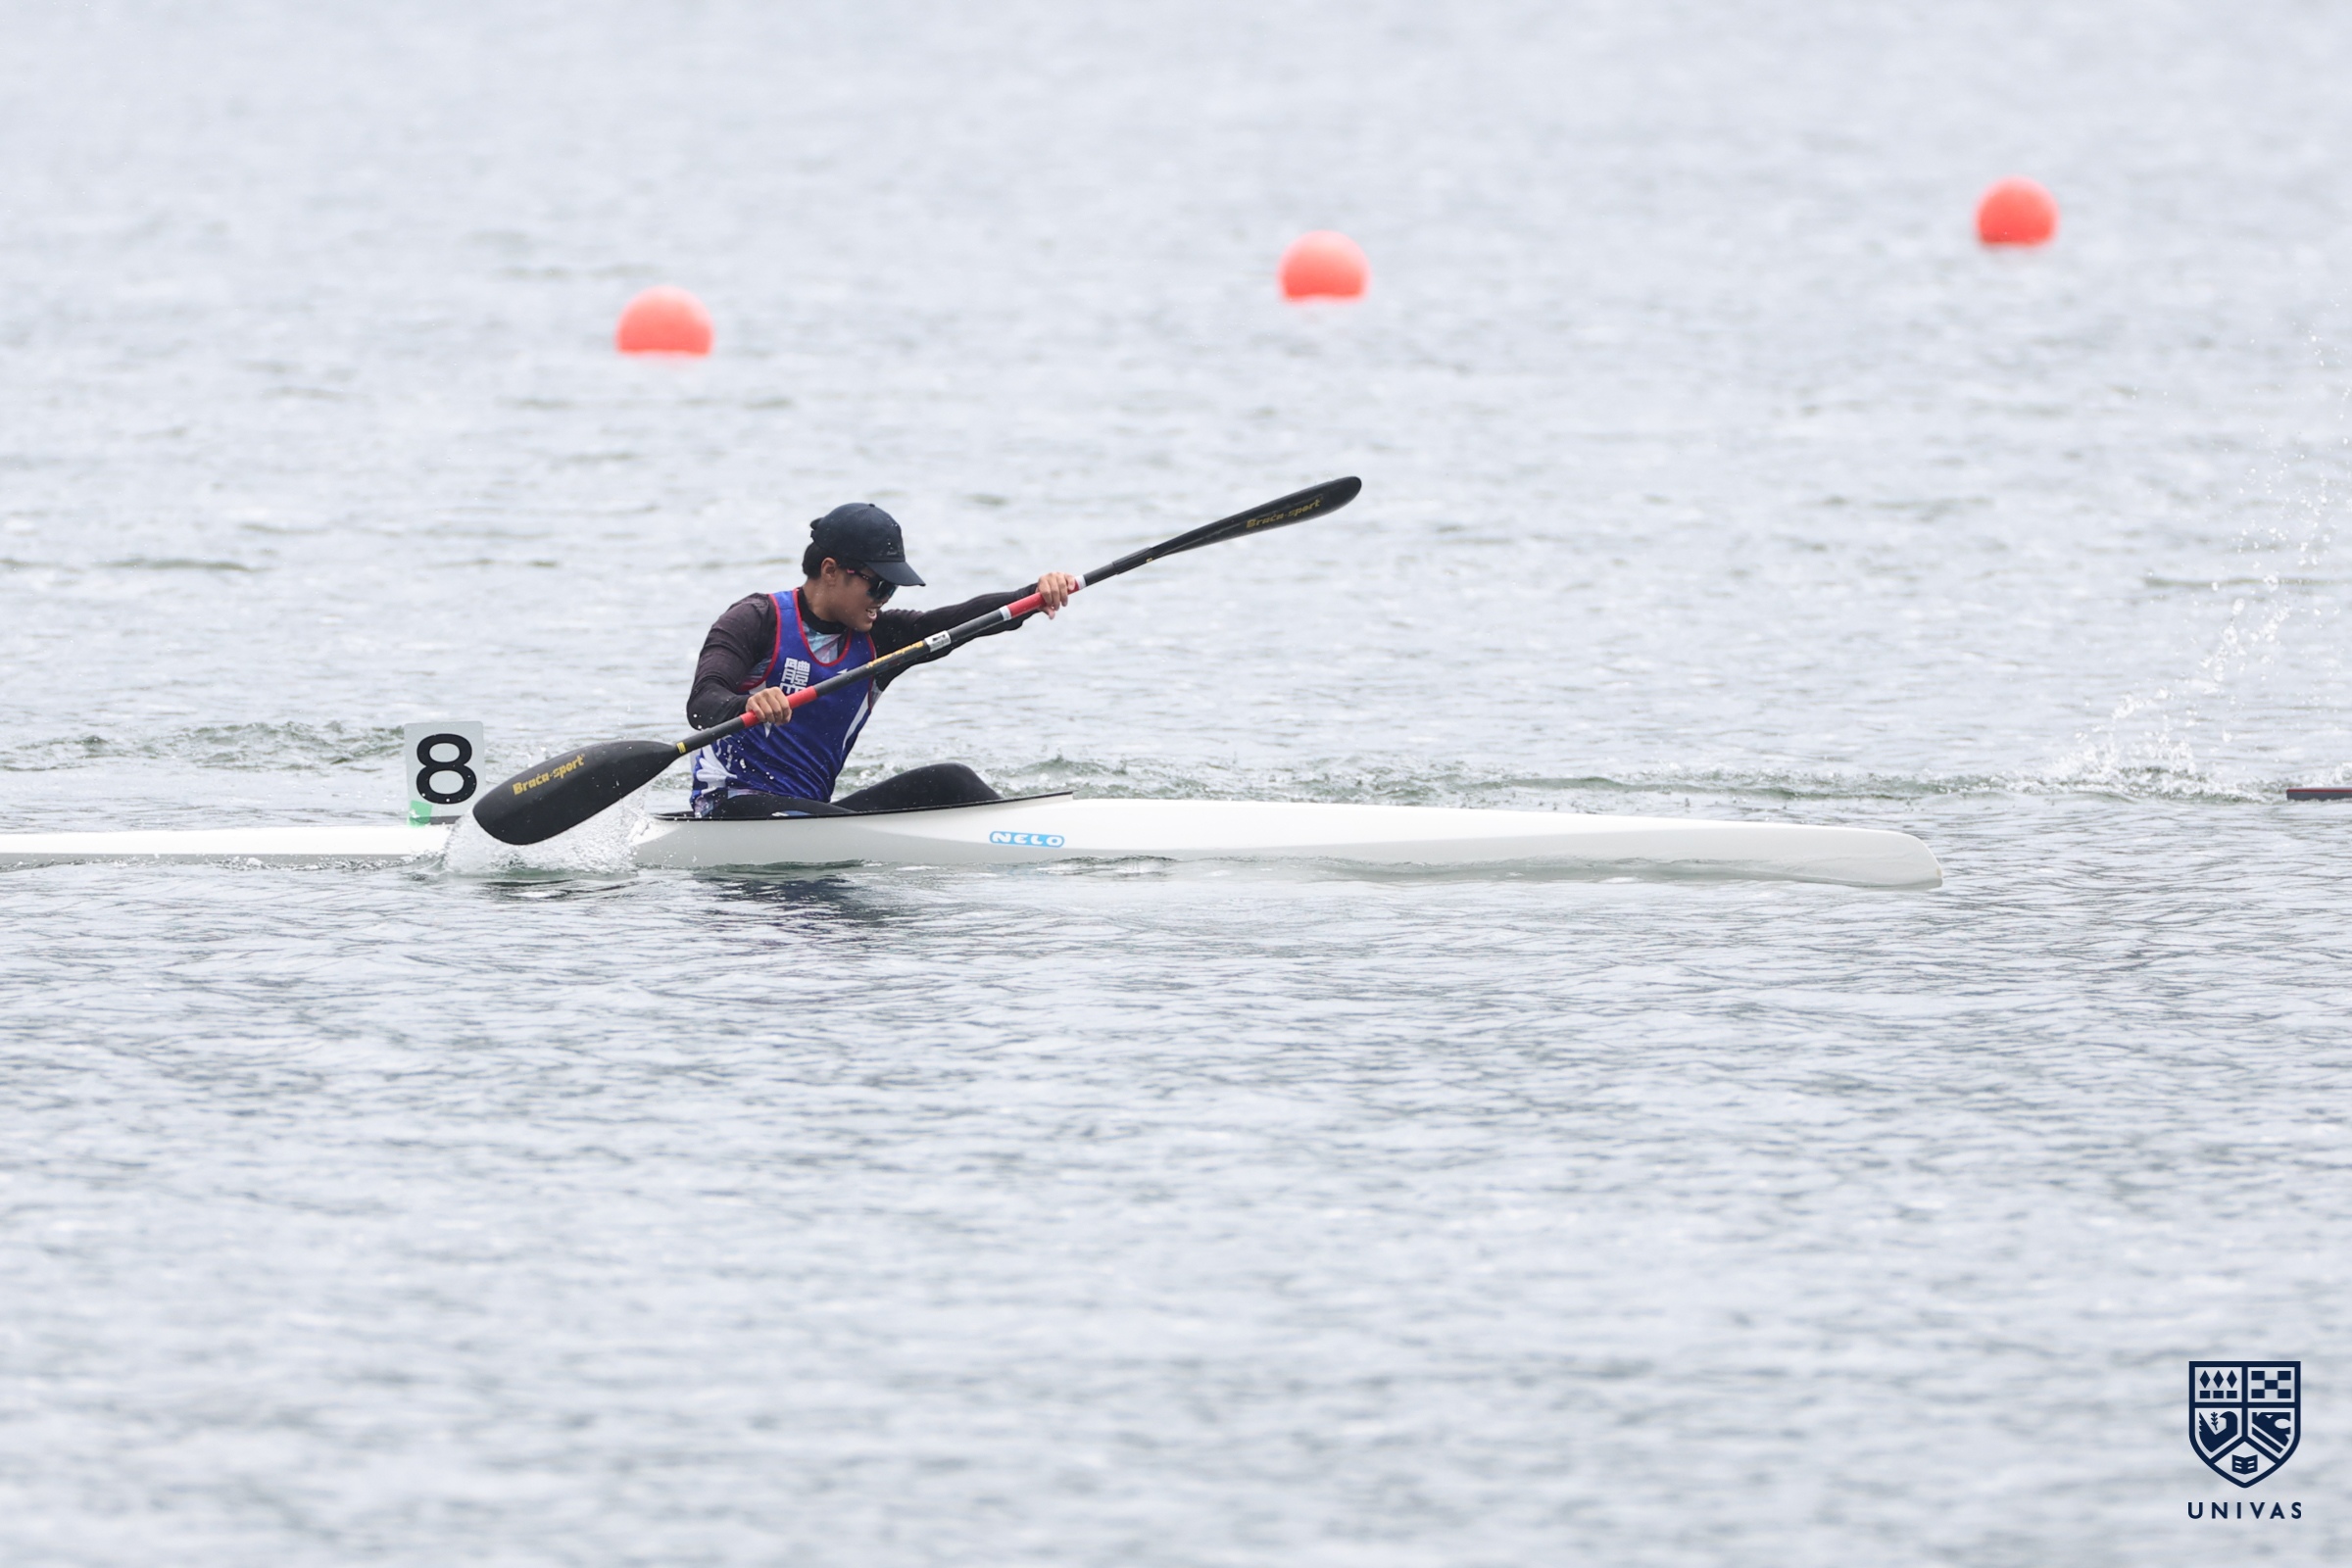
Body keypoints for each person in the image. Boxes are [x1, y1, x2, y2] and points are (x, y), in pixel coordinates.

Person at [685, 502, 1079, 818]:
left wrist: (1034, 595)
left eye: (892, 589)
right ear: (830, 570)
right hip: (732, 807)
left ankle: (1036, 836)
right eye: (878, 586)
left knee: (953, 780)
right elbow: (702, 704)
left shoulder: (879, 640)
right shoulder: (757, 619)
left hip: (813, 817)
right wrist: (748, 704)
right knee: (792, 815)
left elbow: (959, 622)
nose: (885, 599)